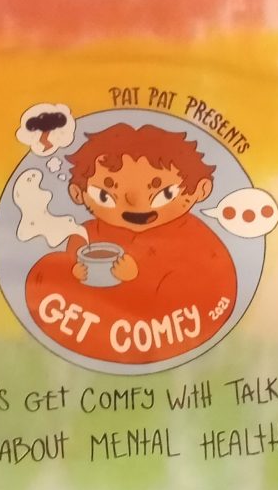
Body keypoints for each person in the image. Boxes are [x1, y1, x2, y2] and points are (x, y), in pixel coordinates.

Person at [23, 123, 239, 366]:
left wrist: (139, 276)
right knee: (47, 269)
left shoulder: (194, 238)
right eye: (105, 195)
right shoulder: (86, 233)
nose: (135, 204)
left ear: (201, 190)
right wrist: (74, 273)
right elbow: (70, 265)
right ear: (77, 193)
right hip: (101, 326)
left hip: (169, 326)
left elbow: (205, 288)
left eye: (164, 193)